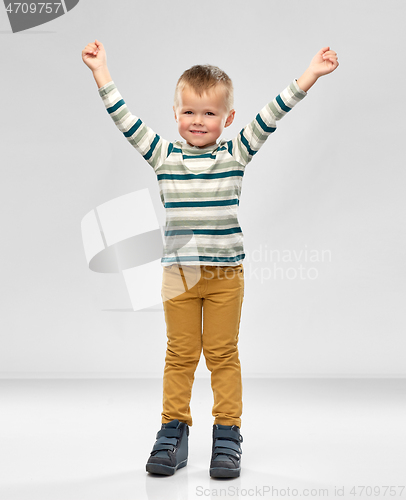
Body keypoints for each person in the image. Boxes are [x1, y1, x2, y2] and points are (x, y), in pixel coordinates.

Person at [82, 40, 339, 478]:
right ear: (176, 114)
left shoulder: (234, 154)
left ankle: (227, 435)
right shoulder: (164, 156)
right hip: (178, 278)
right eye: (189, 112)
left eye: (208, 114)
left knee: (222, 354)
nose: (197, 122)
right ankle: (173, 434)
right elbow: (125, 119)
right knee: (180, 355)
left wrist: (309, 75)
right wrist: (101, 72)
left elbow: (273, 114)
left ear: (227, 119)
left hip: (225, 276)